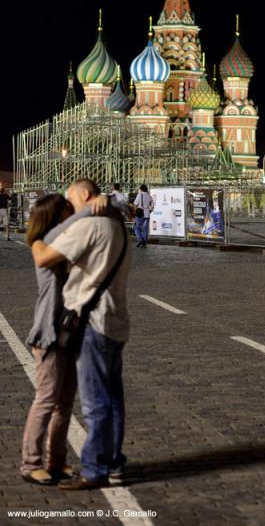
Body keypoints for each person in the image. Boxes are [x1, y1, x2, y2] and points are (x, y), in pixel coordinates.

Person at [31, 178, 131, 489]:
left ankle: (94, 468)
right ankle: (113, 461)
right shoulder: (119, 227)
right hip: (116, 320)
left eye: (72, 200)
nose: (70, 207)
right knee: (113, 398)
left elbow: (45, 256)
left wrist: (35, 236)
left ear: (85, 196)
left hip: (92, 322)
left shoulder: (90, 226)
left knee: (95, 401)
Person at [21, 191, 109, 485]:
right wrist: (87, 211)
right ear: (56, 216)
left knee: (64, 403)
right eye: (67, 210)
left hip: (69, 333)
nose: (73, 213)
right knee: (45, 400)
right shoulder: (41, 244)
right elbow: (61, 232)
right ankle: (30, 463)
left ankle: (56, 462)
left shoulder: (62, 247)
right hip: (48, 334)